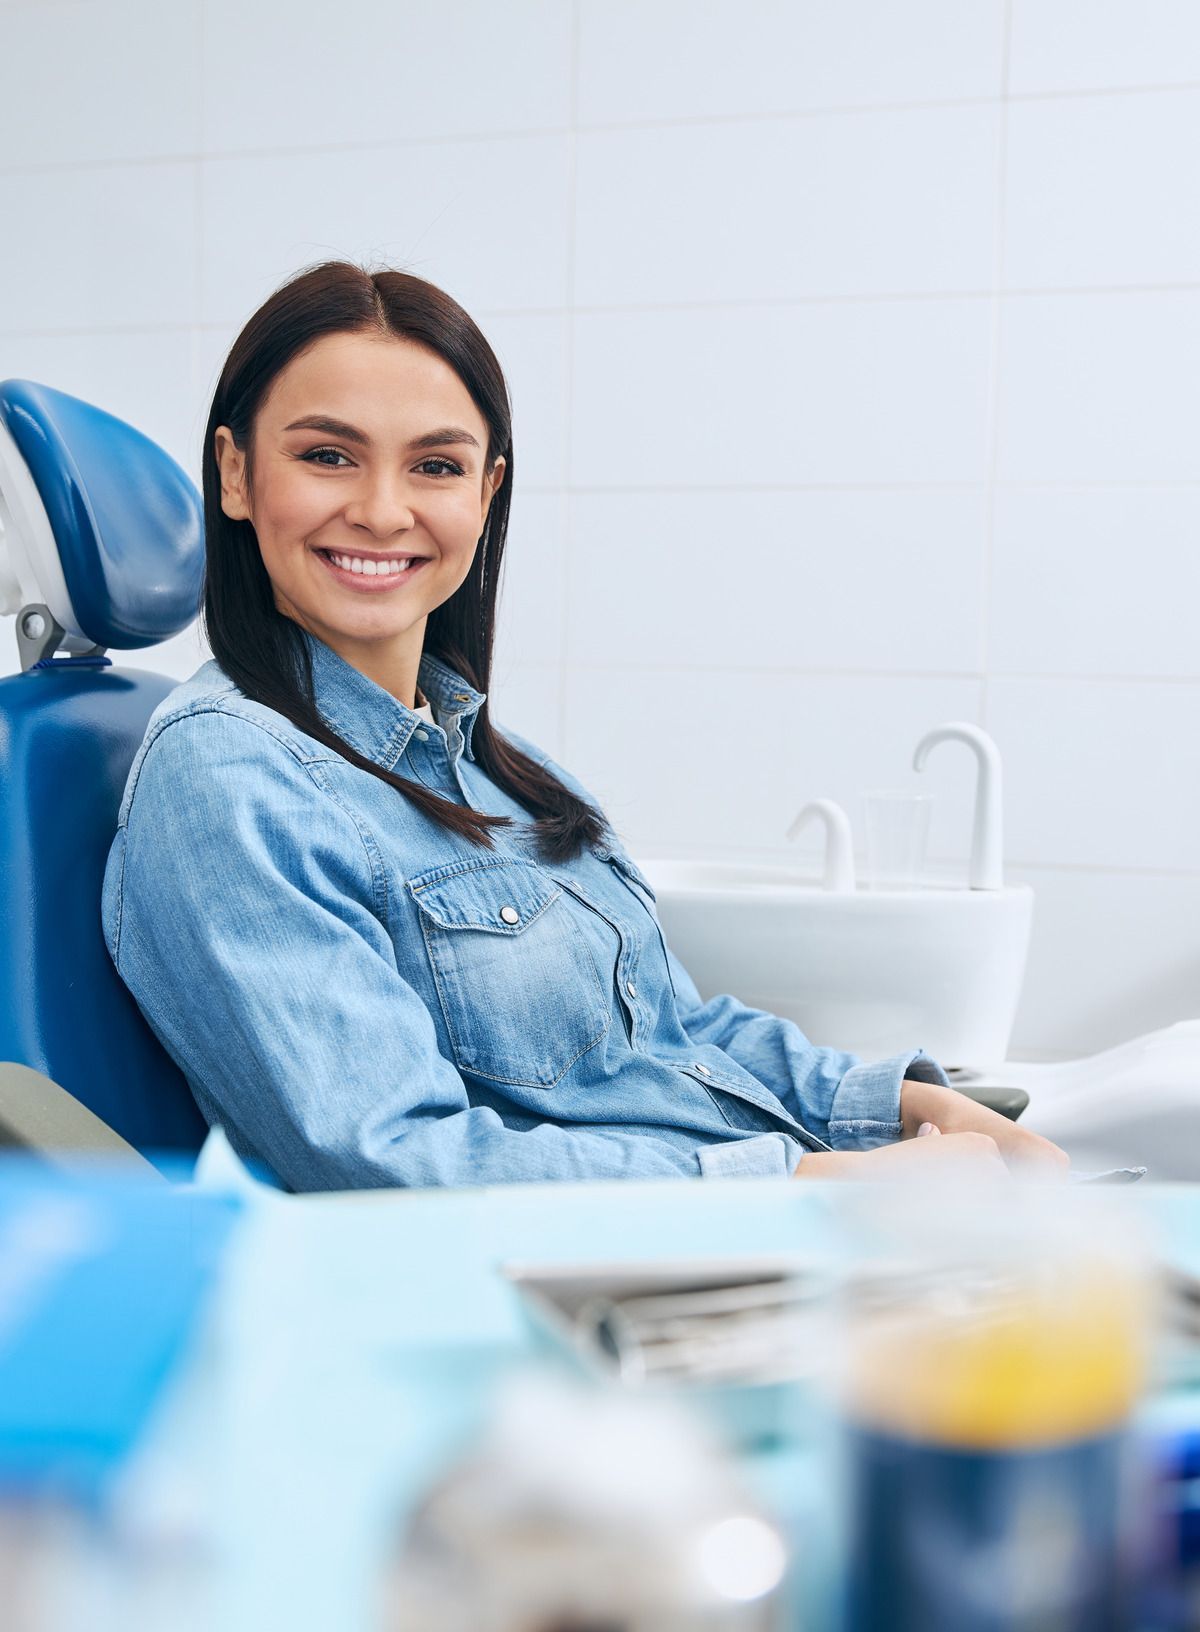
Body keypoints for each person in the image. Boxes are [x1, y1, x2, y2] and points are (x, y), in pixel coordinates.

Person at [101, 262, 1067, 1192]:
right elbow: (386, 1155)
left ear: (486, 494)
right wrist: (817, 1185)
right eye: (326, 456)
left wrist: (895, 1107)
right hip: (577, 1294)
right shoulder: (228, 773)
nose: (383, 510)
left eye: (435, 465)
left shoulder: (505, 777)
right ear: (234, 474)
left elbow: (668, 1038)